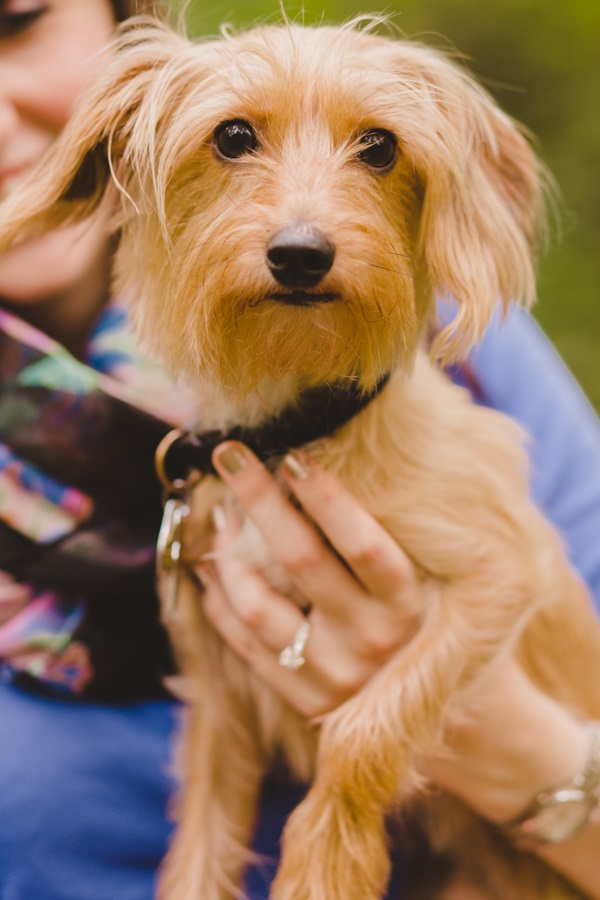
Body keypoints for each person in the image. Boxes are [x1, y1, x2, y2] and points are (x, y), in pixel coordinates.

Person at [1, 2, 600, 898]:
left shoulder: (455, 347)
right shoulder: (219, 446)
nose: (303, 224)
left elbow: (505, 585)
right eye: (236, 140)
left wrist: (507, 756)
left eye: (18, 21)